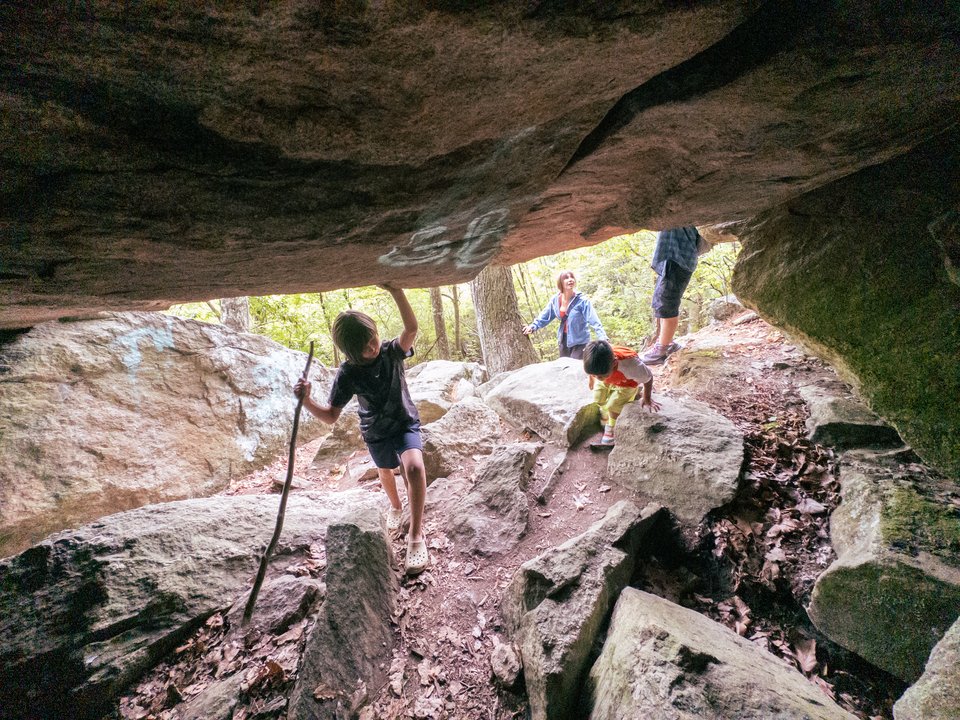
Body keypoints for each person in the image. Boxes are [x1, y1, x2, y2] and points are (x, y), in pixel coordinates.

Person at [293, 284, 429, 576]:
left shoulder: (392, 352)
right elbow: (330, 416)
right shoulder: (347, 374)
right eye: (364, 346)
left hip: (404, 421)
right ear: (351, 352)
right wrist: (306, 401)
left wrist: (395, 290)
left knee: (414, 469)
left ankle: (416, 535)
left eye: (373, 338)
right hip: (375, 430)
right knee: (386, 470)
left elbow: (412, 328)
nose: (372, 346)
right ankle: (395, 506)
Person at [642, 226, 703, 365]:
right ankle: (665, 343)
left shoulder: (685, 214)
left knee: (667, 304)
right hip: (673, 259)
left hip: (678, 259)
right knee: (661, 302)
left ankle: (662, 350)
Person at [583, 340, 660, 445]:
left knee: (614, 405)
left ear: (614, 363)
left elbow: (648, 377)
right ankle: (608, 414)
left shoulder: (631, 366)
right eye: (594, 374)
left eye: (601, 375)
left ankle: (612, 427)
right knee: (597, 398)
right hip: (611, 378)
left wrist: (647, 398)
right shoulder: (596, 362)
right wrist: (592, 379)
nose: (598, 378)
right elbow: (596, 373)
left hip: (627, 382)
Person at [522, 270, 607, 360]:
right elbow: (545, 316)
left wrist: (603, 338)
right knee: (564, 367)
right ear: (561, 282)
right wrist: (533, 327)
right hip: (563, 341)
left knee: (575, 368)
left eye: (572, 277)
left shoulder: (582, 301)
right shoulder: (555, 300)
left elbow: (594, 320)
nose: (570, 280)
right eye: (566, 278)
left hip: (580, 342)